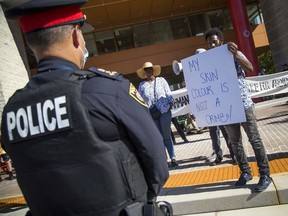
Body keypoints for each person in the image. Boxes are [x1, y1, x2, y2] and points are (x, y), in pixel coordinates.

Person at [1, 1, 169, 215]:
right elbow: (158, 166)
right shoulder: (108, 91)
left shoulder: (12, 112)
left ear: (30, 42)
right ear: (75, 36)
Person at [204, 27, 272, 191]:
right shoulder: (208, 62)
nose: (212, 45)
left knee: (254, 140)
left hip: (243, 104)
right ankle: (245, 172)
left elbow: (249, 68)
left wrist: (235, 54)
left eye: (214, 41)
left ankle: (265, 174)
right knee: (235, 143)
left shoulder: (232, 52)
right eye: (209, 43)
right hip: (226, 108)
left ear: (220, 40)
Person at [137, 62, 178, 167]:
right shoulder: (142, 85)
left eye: (150, 69)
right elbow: (140, 100)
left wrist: (169, 105)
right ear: (144, 72)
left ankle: (173, 157)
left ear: (153, 70)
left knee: (166, 135)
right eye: (146, 69)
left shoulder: (161, 80)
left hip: (164, 111)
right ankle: (164, 160)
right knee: (158, 138)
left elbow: (168, 93)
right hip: (151, 114)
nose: (148, 71)